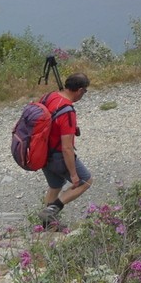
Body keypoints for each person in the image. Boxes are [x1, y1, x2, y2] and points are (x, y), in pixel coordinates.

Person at [38, 73, 94, 230]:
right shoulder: (67, 111)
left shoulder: (48, 97)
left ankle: (49, 226)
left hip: (43, 153)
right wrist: (74, 174)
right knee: (85, 181)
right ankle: (52, 210)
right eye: (85, 91)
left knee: (55, 186)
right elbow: (67, 148)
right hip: (57, 155)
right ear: (80, 90)